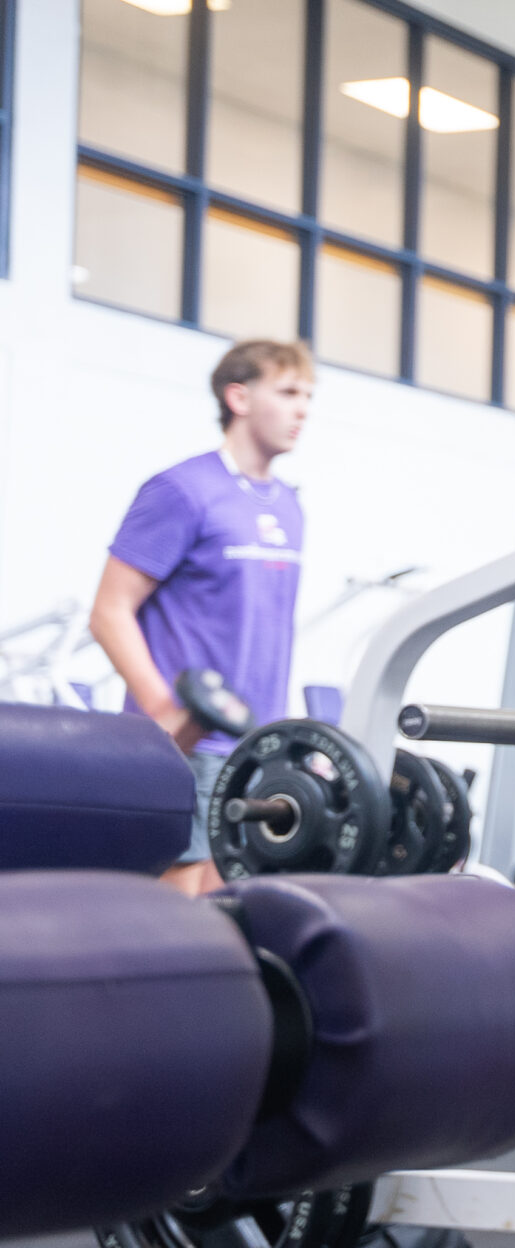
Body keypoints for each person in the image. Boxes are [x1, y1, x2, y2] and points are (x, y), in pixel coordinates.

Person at [91, 339, 314, 895]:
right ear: (239, 397)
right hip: (191, 746)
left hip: (258, 745)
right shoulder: (182, 490)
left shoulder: (288, 505)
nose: (303, 409)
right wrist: (165, 710)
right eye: (288, 392)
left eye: (308, 396)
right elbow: (109, 611)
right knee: (181, 907)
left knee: (232, 906)